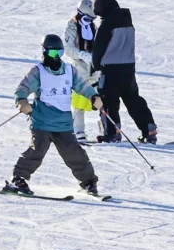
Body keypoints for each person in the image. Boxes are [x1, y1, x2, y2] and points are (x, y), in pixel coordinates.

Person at [5, 34, 103, 196]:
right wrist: (22, 101)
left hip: (63, 123)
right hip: (42, 122)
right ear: (44, 53)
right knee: (37, 150)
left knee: (74, 152)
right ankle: (19, 178)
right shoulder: (38, 72)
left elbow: (82, 86)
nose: (56, 57)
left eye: (59, 53)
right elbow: (22, 88)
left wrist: (94, 96)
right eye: (52, 54)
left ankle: (88, 181)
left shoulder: (69, 71)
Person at [91, 0, 157, 143]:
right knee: (133, 99)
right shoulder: (128, 22)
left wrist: (95, 66)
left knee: (108, 101)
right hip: (128, 68)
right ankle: (149, 128)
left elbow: (99, 49)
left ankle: (112, 132)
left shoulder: (106, 25)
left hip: (110, 69)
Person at [63, 0, 100, 144]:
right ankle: (78, 131)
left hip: (94, 68)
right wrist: (81, 55)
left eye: (92, 19)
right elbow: (68, 48)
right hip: (79, 68)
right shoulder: (72, 27)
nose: (89, 21)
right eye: (87, 18)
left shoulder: (93, 28)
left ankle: (106, 130)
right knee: (79, 101)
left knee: (99, 98)